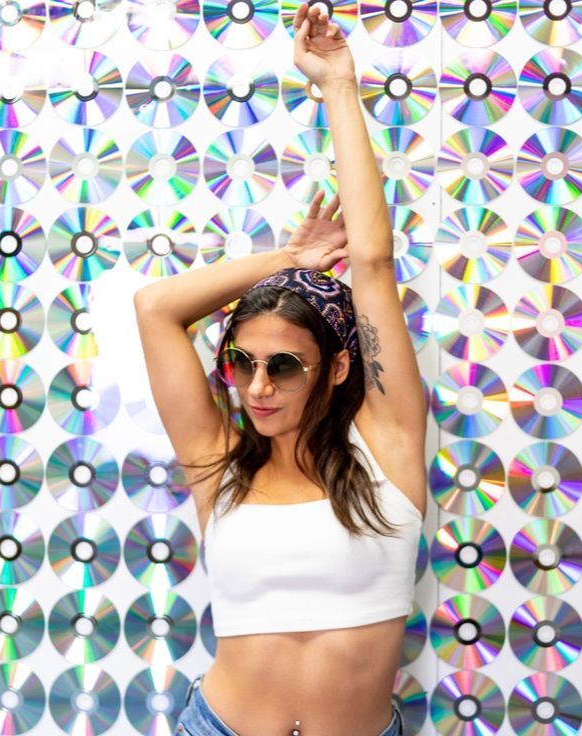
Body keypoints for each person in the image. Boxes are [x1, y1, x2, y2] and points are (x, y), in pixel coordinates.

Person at [133, 3, 428, 734]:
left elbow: (372, 260)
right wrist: (287, 262)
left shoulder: (387, 446)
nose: (257, 388)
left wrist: (336, 84)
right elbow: (155, 308)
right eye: (241, 363)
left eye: (285, 367)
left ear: (333, 370)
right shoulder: (218, 465)